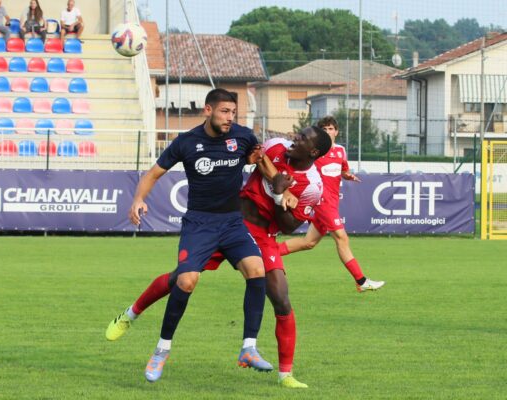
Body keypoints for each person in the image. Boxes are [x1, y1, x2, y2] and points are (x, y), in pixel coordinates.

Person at [107, 127, 334, 389]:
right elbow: (256, 158)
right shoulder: (275, 147)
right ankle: (130, 314)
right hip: (228, 222)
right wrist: (275, 181)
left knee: (281, 297)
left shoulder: (313, 186)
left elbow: (289, 226)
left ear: (314, 151)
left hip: (262, 235)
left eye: (303, 139)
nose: (296, 138)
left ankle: (285, 374)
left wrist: (279, 193)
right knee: (180, 279)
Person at [126, 88, 275, 383]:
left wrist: (273, 176)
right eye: (224, 112)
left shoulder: (244, 137)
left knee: (258, 270)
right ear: (208, 110)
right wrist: (138, 199)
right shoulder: (187, 142)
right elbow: (153, 174)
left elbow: (260, 164)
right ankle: (161, 350)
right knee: (186, 280)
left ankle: (249, 348)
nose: (230, 118)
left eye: (233, 112)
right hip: (199, 224)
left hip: (233, 223)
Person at [278, 116, 385, 292]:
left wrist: (347, 175)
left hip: (333, 202)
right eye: (324, 129)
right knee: (342, 238)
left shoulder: (341, 151)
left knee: (309, 242)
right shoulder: (315, 152)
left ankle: (266, 251)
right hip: (321, 201)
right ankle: (361, 281)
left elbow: (343, 170)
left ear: (336, 131)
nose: (328, 132)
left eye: (330, 129)